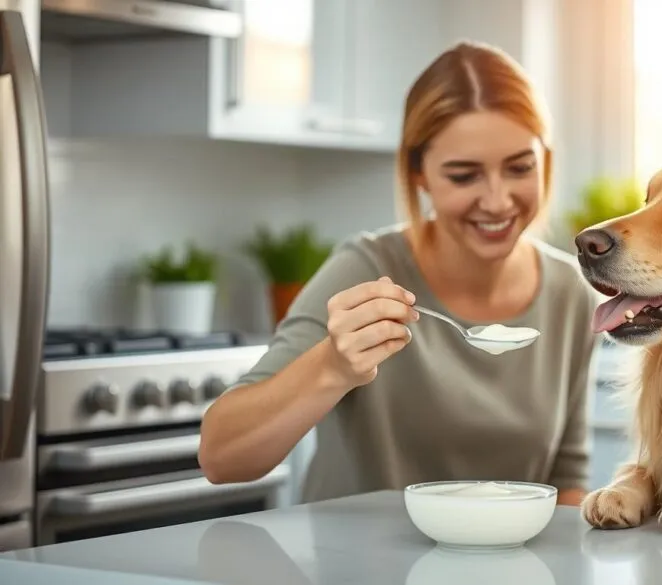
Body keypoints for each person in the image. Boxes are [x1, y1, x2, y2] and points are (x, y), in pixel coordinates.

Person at [198, 40, 599, 506]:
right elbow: (221, 457)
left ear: (544, 162)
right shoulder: (366, 271)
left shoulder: (572, 291)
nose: (496, 200)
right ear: (418, 174)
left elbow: (566, 478)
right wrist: (333, 365)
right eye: (464, 175)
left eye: (519, 168)